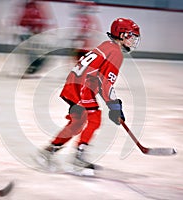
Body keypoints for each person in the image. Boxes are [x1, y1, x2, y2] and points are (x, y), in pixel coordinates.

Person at [38, 18, 141, 170]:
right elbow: (106, 83)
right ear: (121, 34)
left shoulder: (107, 46)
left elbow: (98, 78)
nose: (133, 41)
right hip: (81, 87)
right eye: (131, 36)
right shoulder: (115, 53)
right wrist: (114, 106)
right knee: (94, 119)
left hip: (73, 84)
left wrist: (114, 104)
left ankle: (49, 151)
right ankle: (79, 156)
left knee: (78, 122)